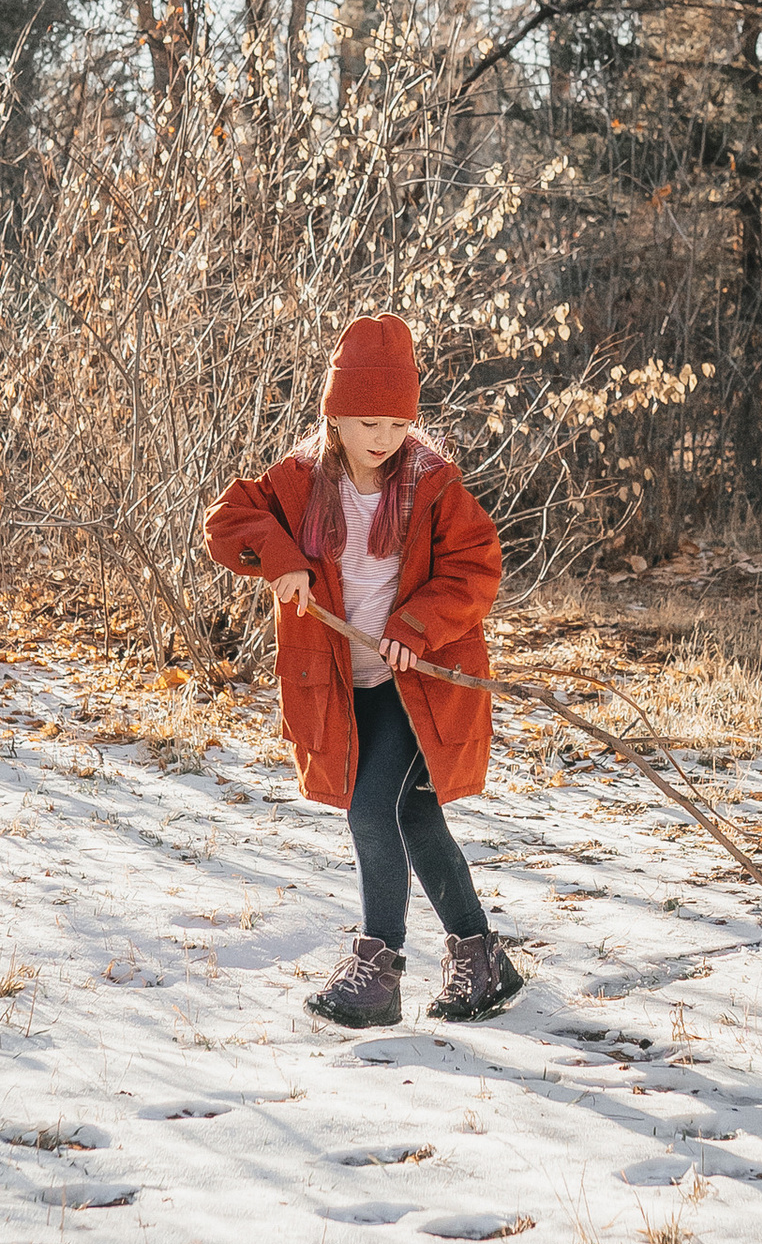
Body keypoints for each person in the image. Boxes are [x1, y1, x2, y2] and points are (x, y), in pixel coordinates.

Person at [205, 313, 527, 1028]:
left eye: (398, 421)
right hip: (349, 687)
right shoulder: (296, 482)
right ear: (336, 417)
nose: (386, 437)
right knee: (411, 811)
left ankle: (379, 970)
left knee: (372, 807)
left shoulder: (432, 484)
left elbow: (477, 569)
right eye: (369, 421)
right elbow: (228, 522)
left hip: (421, 684)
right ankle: (482, 961)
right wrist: (282, 562)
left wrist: (416, 626)